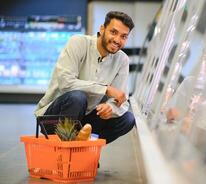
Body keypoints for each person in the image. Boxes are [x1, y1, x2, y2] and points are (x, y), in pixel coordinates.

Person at [35, 11, 136, 143]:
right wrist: (105, 89)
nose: (117, 40)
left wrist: (111, 107)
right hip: (54, 117)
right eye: (113, 32)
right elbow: (66, 83)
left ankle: (85, 146)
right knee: (77, 97)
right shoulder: (78, 43)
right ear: (102, 29)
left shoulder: (122, 60)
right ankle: (69, 152)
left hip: (87, 117)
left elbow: (121, 100)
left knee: (128, 119)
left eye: (124, 36)